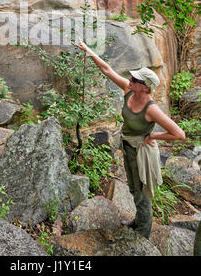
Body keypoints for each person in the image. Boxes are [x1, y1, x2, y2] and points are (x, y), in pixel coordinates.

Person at [75, 40, 186, 240]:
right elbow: (107, 70)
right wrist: (88, 50)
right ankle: (138, 221)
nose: (130, 79)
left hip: (142, 152)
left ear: (145, 88)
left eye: (135, 79)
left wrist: (153, 135)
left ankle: (143, 236)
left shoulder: (151, 109)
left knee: (143, 193)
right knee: (134, 188)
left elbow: (179, 134)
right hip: (128, 148)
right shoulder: (128, 90)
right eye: (132, 77)